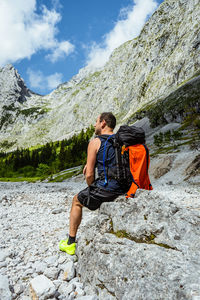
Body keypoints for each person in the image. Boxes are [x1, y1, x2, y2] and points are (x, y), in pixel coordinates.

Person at [59, 112, 127, 255]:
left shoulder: (95, 141)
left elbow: (89, 174)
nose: (94, 125)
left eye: (96, 121)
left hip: (107, 189)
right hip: (125, 187)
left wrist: (91, 187)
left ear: (103, 123)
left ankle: (71, 242)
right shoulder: (123, 141)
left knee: (77, 200)